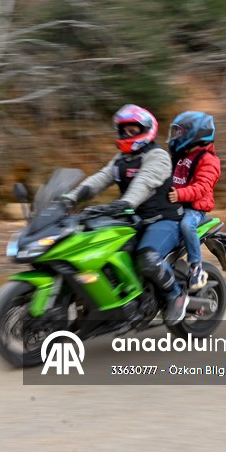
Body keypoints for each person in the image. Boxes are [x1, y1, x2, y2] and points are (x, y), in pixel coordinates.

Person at [60, 104, 189, 324]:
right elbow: (98, 179)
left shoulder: (157, 156)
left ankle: (175, 295)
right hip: (132, 218)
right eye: (124, 130)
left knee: (147, 257)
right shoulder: (121, 159)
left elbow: (144, 182)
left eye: (133, 130)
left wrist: (125, 203)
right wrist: (70, 198)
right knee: (96, 246)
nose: (128, 134)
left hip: (162, 220)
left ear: (146, 130)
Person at [166, 111, 221, 293]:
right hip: (176, 203)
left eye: (181, 132)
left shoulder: (208, 160)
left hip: (194, 208)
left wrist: (179, 195)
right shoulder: (181, 156)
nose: (177, 136)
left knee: (186, 226)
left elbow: (202, 188)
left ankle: (196, 267)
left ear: (195, 134)